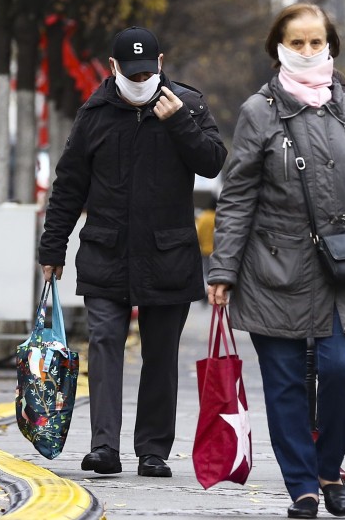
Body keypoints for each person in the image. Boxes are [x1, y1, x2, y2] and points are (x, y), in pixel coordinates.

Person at [206, 3, 345, 520]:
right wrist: (223, 270)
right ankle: (302, 484)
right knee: (286, 384)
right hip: (274, 270)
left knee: (344, 371)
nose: (306, 51)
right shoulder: (259, 111)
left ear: (331, 46)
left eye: (315, 42)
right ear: (278, 47)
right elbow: (236, 198)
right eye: (296, 43)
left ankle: (328, 467)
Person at [38, 26, 227, 478]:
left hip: (168, 254)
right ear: (113, 68)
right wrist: (53, 246)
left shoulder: (189, 105)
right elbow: (68, 186)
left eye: (148, 71)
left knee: (161, 354)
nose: (141, 80)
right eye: (131, 72)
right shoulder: (95, 112)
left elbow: (214, 161)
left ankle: (152, 450)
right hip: (107, 250)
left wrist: (179, 120)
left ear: (160, 64)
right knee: (104, 343)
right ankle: (104, 446)